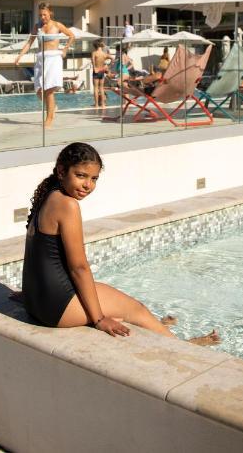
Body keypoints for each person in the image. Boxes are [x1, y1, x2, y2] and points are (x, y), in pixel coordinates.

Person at [21, 142, 220, 344]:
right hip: (56, 308)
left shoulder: (49, 195)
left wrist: (29, 292)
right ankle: (182, 346)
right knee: (136, 309)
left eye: (94, 178)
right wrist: (99, 319)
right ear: (62, 171)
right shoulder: (67, 204)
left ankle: (156, 327)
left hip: (35, 302)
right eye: (80, 175)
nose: (87, 185)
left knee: (117, 301)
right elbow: (79, 268)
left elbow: (38, 255)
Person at [14, 2, 74, 128]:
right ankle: (53, 108)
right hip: (41, 59)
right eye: (40, 15)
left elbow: (71, 36)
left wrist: (65, 49)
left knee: (49, 91)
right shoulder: (37, 27)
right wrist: (20, 56)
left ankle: (49, 119)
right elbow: (29, 43)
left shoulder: (57, 25)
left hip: (53, 59)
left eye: (44, 15)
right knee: (39, 90)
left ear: (50, 13)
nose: (42, 17)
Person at [91, 41, 113, 109]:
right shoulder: (104, 54)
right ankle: (103, 105)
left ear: (95, 46)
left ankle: (97, 105)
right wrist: (107, 67)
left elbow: (93, 62)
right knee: (101, 88)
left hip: (96, 71)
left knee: (95, 88)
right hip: (102, 71)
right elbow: (113, 58)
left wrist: (95, 68)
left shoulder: (94, 53)